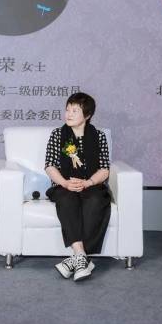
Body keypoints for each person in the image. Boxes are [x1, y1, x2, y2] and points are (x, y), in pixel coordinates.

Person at [44, 92, 111, 281]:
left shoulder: (98, 136)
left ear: (87, 115)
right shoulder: (58, 134)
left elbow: (104, 169)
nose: (69, 114)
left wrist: (88, 182)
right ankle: (82, 257)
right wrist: (65, 183)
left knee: (96, 200)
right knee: (66, 199)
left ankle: (77, 258)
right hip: (64, 185)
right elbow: (50, 166)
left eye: (75, 110)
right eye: (67, 109)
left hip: (91, 184)